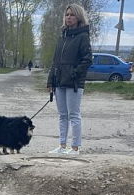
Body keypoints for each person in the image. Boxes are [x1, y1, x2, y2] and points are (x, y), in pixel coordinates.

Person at [46, 4, 92, 156]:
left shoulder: (83, 37)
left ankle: (75, 147)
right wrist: (50, 81)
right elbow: (55, 61)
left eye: (72, 15)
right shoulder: (62, 38)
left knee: (74, 114)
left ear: (78, 17)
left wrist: (75, 73)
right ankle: (62, 145)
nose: (69, 17)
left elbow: (87, 60)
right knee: (62, 115)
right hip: (59, 81)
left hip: (73, 82)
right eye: (67, 15)